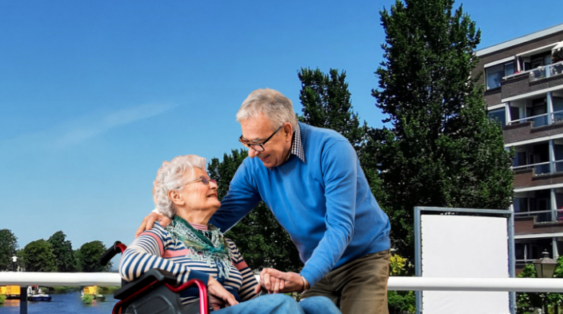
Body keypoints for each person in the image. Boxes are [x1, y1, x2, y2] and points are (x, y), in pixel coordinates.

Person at [136, 89, 391, 314]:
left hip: (362, 257)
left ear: (287, 131)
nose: (250, 152)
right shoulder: (253, 167)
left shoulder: (332, 149)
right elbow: (215, 219)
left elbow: (340, 227)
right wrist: (167, 217)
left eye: (257, 143)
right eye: (246, 142)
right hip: (316, 263)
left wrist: (303, 280)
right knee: (314, 307)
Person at [121, 155, 333, 314]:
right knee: (284, 305)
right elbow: (130, 263)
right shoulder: (163, 233)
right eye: (202, 181)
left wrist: (272, 284)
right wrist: (205, 281)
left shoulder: (227, 245)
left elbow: (253, 296)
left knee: (319, 305)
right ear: (176, 196)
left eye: (211, 180)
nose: (214, 184)